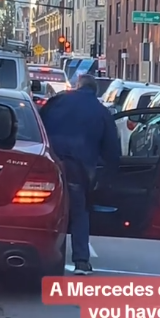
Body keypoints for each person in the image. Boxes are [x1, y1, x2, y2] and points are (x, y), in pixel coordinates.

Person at [40, 73, 121, 275]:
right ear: (96, 91)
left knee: (45, 209)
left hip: (48, 163)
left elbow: (37, 124)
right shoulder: (101, 112)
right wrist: (109, 175)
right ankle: (81, 262)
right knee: (79, 212)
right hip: (79, 168)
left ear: (77, 86)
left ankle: (38, 254)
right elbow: (112, 150)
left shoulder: (57, 101)